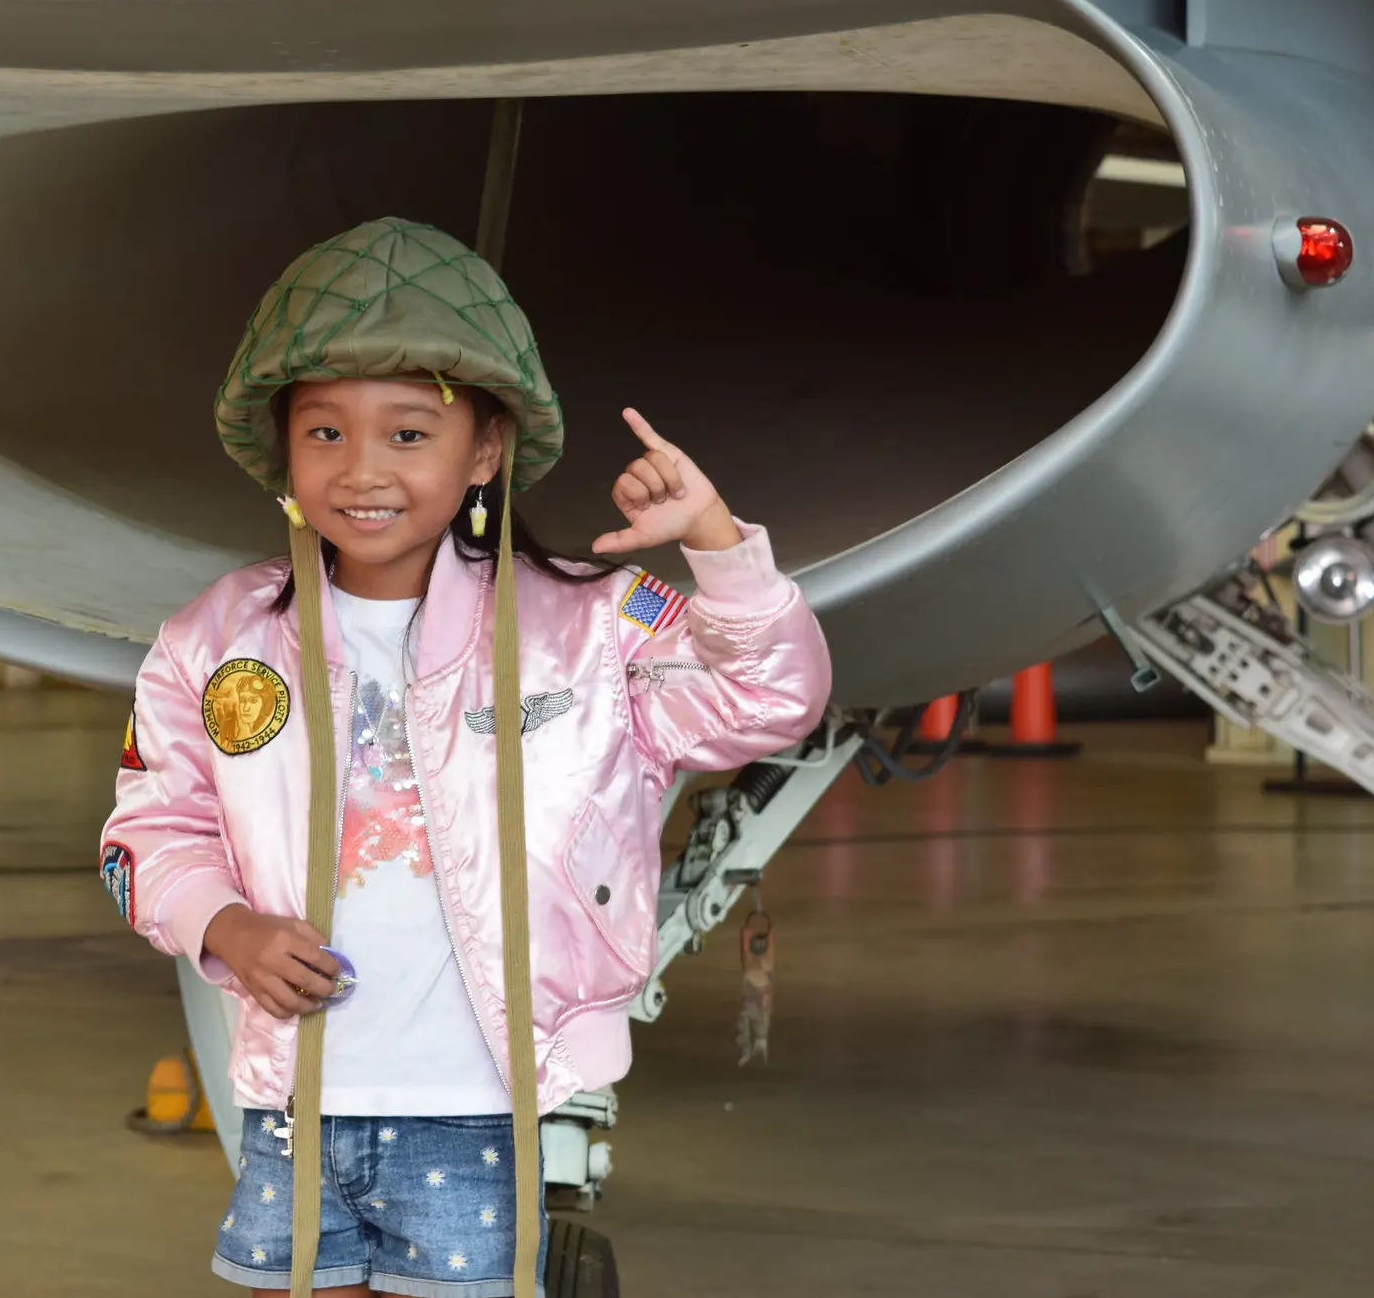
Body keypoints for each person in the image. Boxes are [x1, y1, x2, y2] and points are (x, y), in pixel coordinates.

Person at [101, 217, 831, 1298]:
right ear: (282, 451)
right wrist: (225, 925)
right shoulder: (214, 639)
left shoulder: (587, 627)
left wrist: (714, 543)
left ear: (484, 448)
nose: (362, 471)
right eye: (324, 434)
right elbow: (146, 830)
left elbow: (769, 698)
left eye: (408, 434)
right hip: (290, 1107)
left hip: (473, 1109)